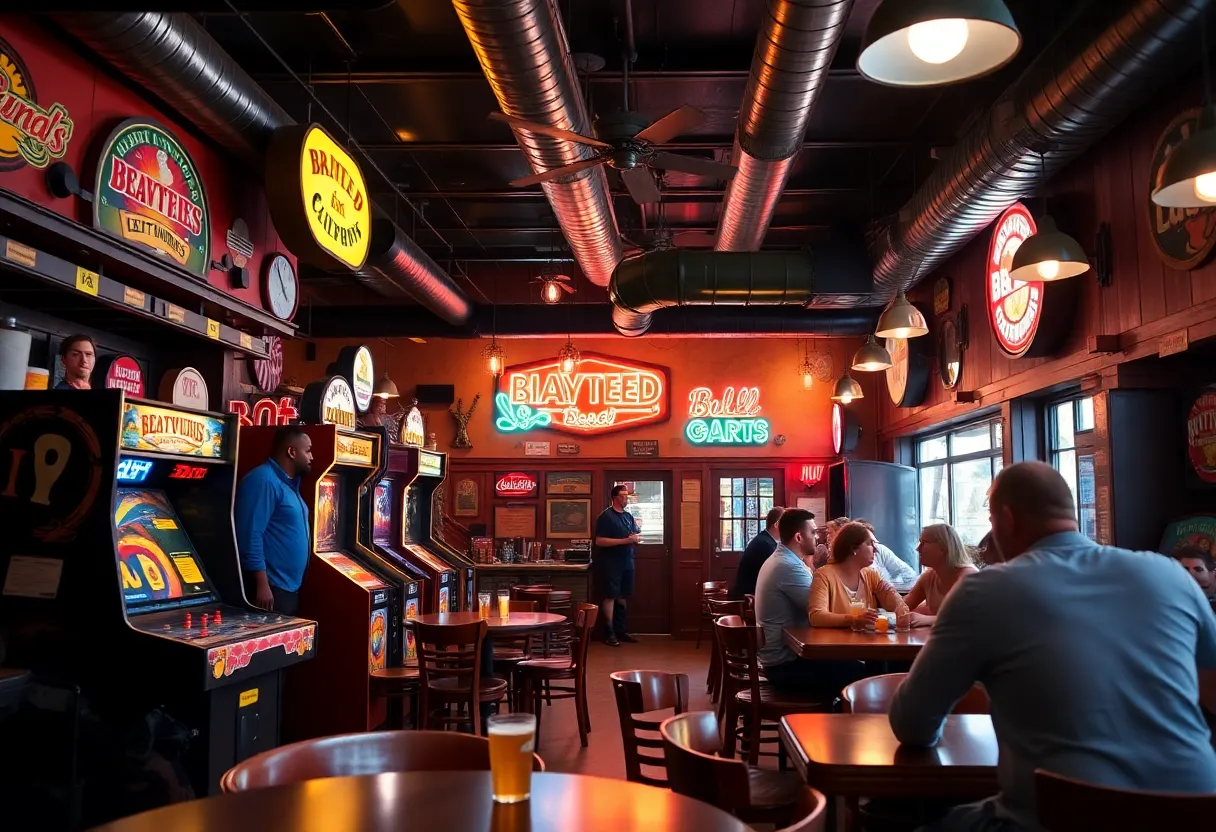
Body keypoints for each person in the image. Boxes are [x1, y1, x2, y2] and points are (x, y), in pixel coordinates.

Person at [889, 462, 1216, 832]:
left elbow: (912, 723)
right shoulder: (1171, 574)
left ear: (1007, 520)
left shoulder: (985, 591)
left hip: (1057, 818)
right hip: (1195, 811)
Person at [755, 508, 861, 695]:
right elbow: (822, 608)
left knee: (854, 666)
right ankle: (842, 720)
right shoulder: (788, 566)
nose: (818, 538)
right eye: (813, 532)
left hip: (779, 658)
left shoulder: (785, 560)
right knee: (863, 673)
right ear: (798, 537)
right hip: (785, 665)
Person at [235, 426, 314, 615]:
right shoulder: (263, 479)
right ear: (291, 452)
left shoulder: (288, 484)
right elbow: (250, 534)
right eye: (308, 450)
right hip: (270, 588)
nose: (312, 457)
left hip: (288, 587)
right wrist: (262, 584)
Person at [808, 522, 907, 628]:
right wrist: (853, 620)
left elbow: (889, 594)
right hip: (836, 643)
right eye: (870, 544)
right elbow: (816, 616)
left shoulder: (870, 575)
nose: (876, 549)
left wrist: (901, 608)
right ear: (854, 548)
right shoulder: (824, 575)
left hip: (867, 642)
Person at [901, 523, 977, 626]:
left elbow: (973, 618)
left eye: (924, 543)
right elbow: (904, 606)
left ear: (943, 547)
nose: (918, 548)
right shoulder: (929, 577)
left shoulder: (968, 576)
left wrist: (929, 619)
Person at [595, 484, 641, 647]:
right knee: (611, 596)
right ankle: (609, 633)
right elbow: (599, 541)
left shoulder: (628, 516)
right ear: (615, 497)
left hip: (627, 561)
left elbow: (634, 534)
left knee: (623, 596)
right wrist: (624, 541)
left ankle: (621, 631)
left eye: (627, 495)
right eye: (623, 495)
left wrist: (635, 538)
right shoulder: (606, 517)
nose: (626, 498)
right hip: (611, 563)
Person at [730, 506, 787, 600]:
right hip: (747, 598)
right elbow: (776, 575)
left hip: (754, 593)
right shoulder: (765, 544)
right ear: (776, 525)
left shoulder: (766, 540)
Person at [854, 519, 919, 587]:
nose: (875, 549)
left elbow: (909, 574)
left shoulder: (879, 549)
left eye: (874, 542)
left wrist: (892, 585)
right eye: (869, 543)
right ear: (854, 548)